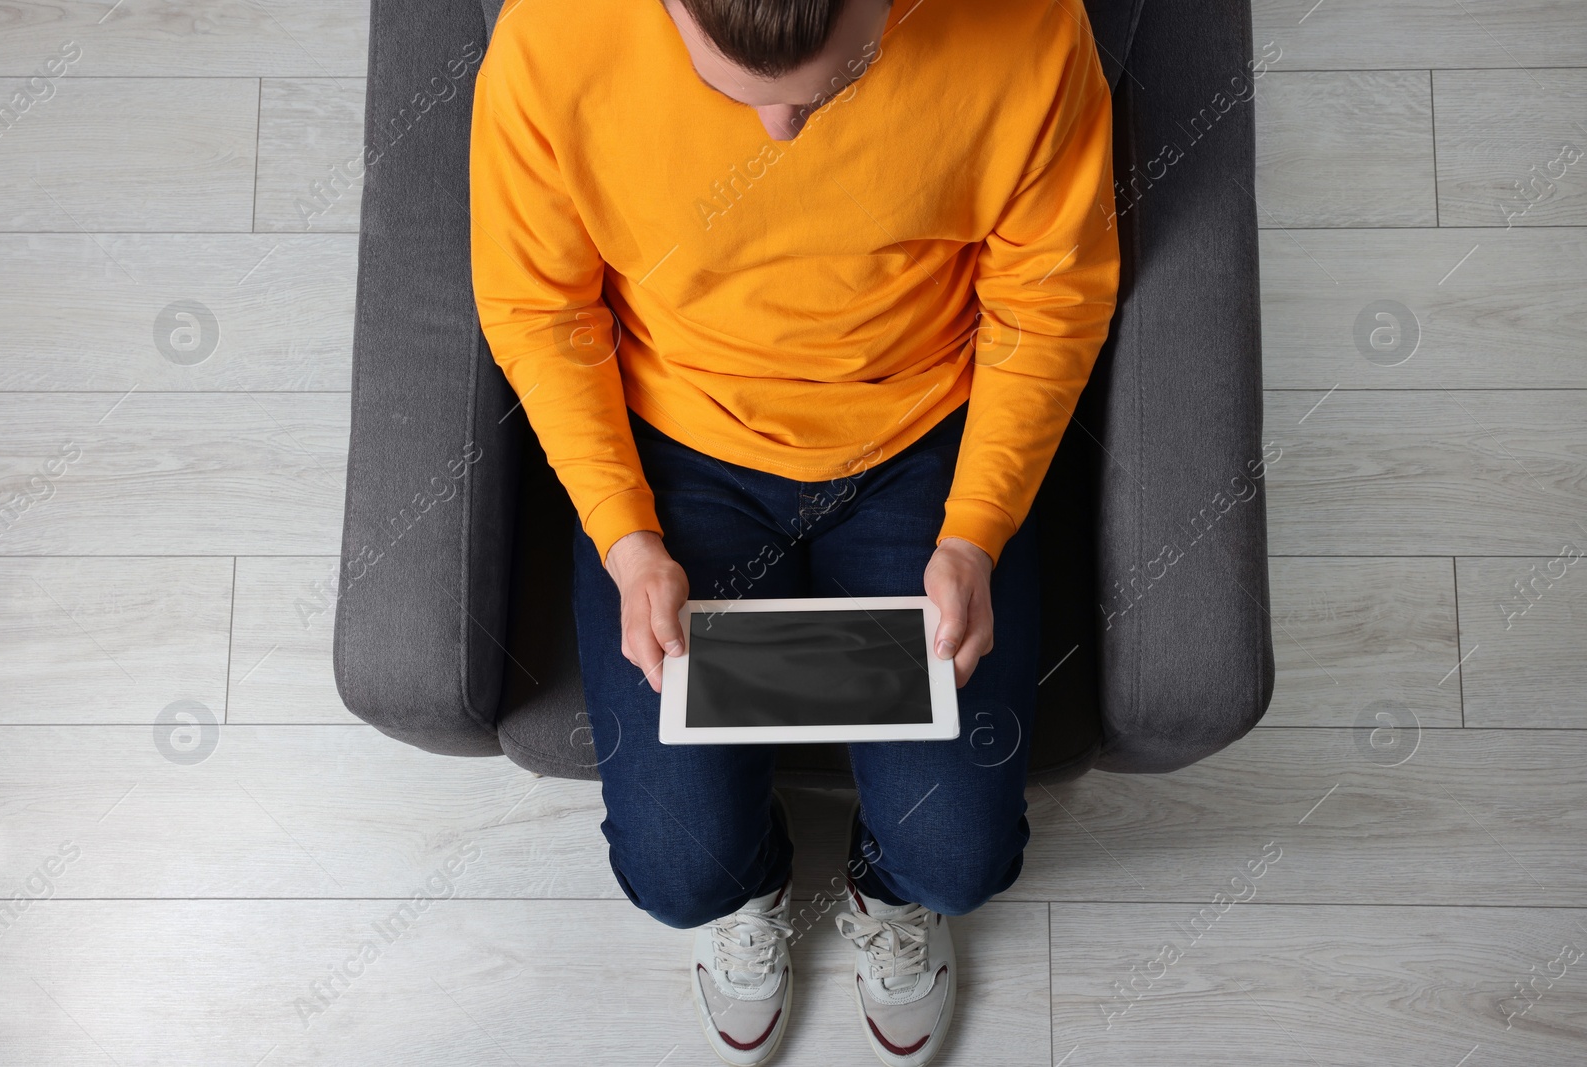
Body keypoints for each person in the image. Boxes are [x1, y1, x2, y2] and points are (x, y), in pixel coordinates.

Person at [470, 0, 1119, 1062]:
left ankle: (883, 881)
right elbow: (538, 306)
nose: (783, 131)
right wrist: (627, 538)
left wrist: (974, 531)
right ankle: (752, 875)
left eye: (831, 81)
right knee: (679, 873)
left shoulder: (1032, 28)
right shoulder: (553, 33)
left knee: (959, 861)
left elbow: (1051, 299)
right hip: (677, 441)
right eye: (737, 86)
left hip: (925, 430)